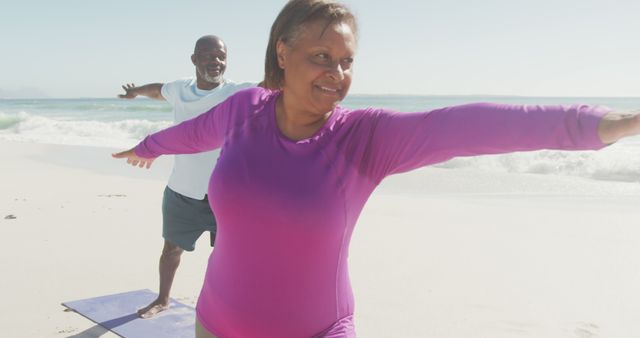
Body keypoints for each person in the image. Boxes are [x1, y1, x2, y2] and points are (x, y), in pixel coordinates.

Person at [113, 0, 640, 336]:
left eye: (346, 60)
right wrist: (150, 145)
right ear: (282, 50)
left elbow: (474, 125)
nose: (337, 73)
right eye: (322, 56)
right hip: (216, 322)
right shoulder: (243, 109)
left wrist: (609, 124)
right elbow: (193, 133)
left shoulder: (365, 138)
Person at [117, 35, 254, 319]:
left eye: (221, 57)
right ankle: (163, 299)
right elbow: (158, 90)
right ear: (194, 59)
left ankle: (233, 308)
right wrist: (136, 92)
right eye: (207, 55)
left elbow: (273, 88)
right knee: (171, 249)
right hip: (183, 191)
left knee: (234, 257)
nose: (215, 62)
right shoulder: (180, 88)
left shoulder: (238, 92)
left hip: (227, 194)